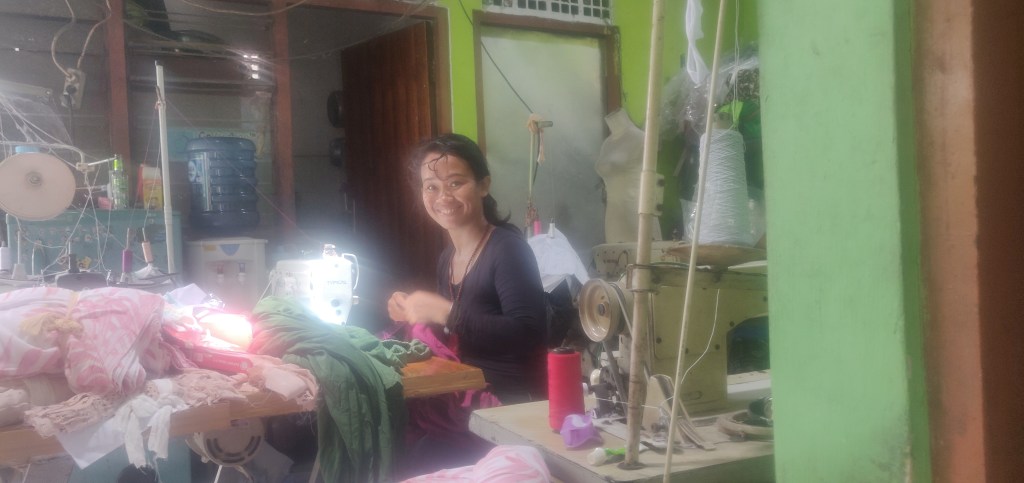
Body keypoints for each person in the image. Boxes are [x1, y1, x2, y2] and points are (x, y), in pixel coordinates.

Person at [386, 133, 548, 477]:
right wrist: (414, 311)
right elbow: (460, 330)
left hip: (507, 410)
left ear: (483, 185)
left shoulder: (507, 249)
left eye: (456, 183)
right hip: (463, 396)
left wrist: (445, 312)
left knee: (415, 454)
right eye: (430, 186)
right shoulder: (448, 257)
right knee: (391, 438)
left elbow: (529, 332)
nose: (443, 196)